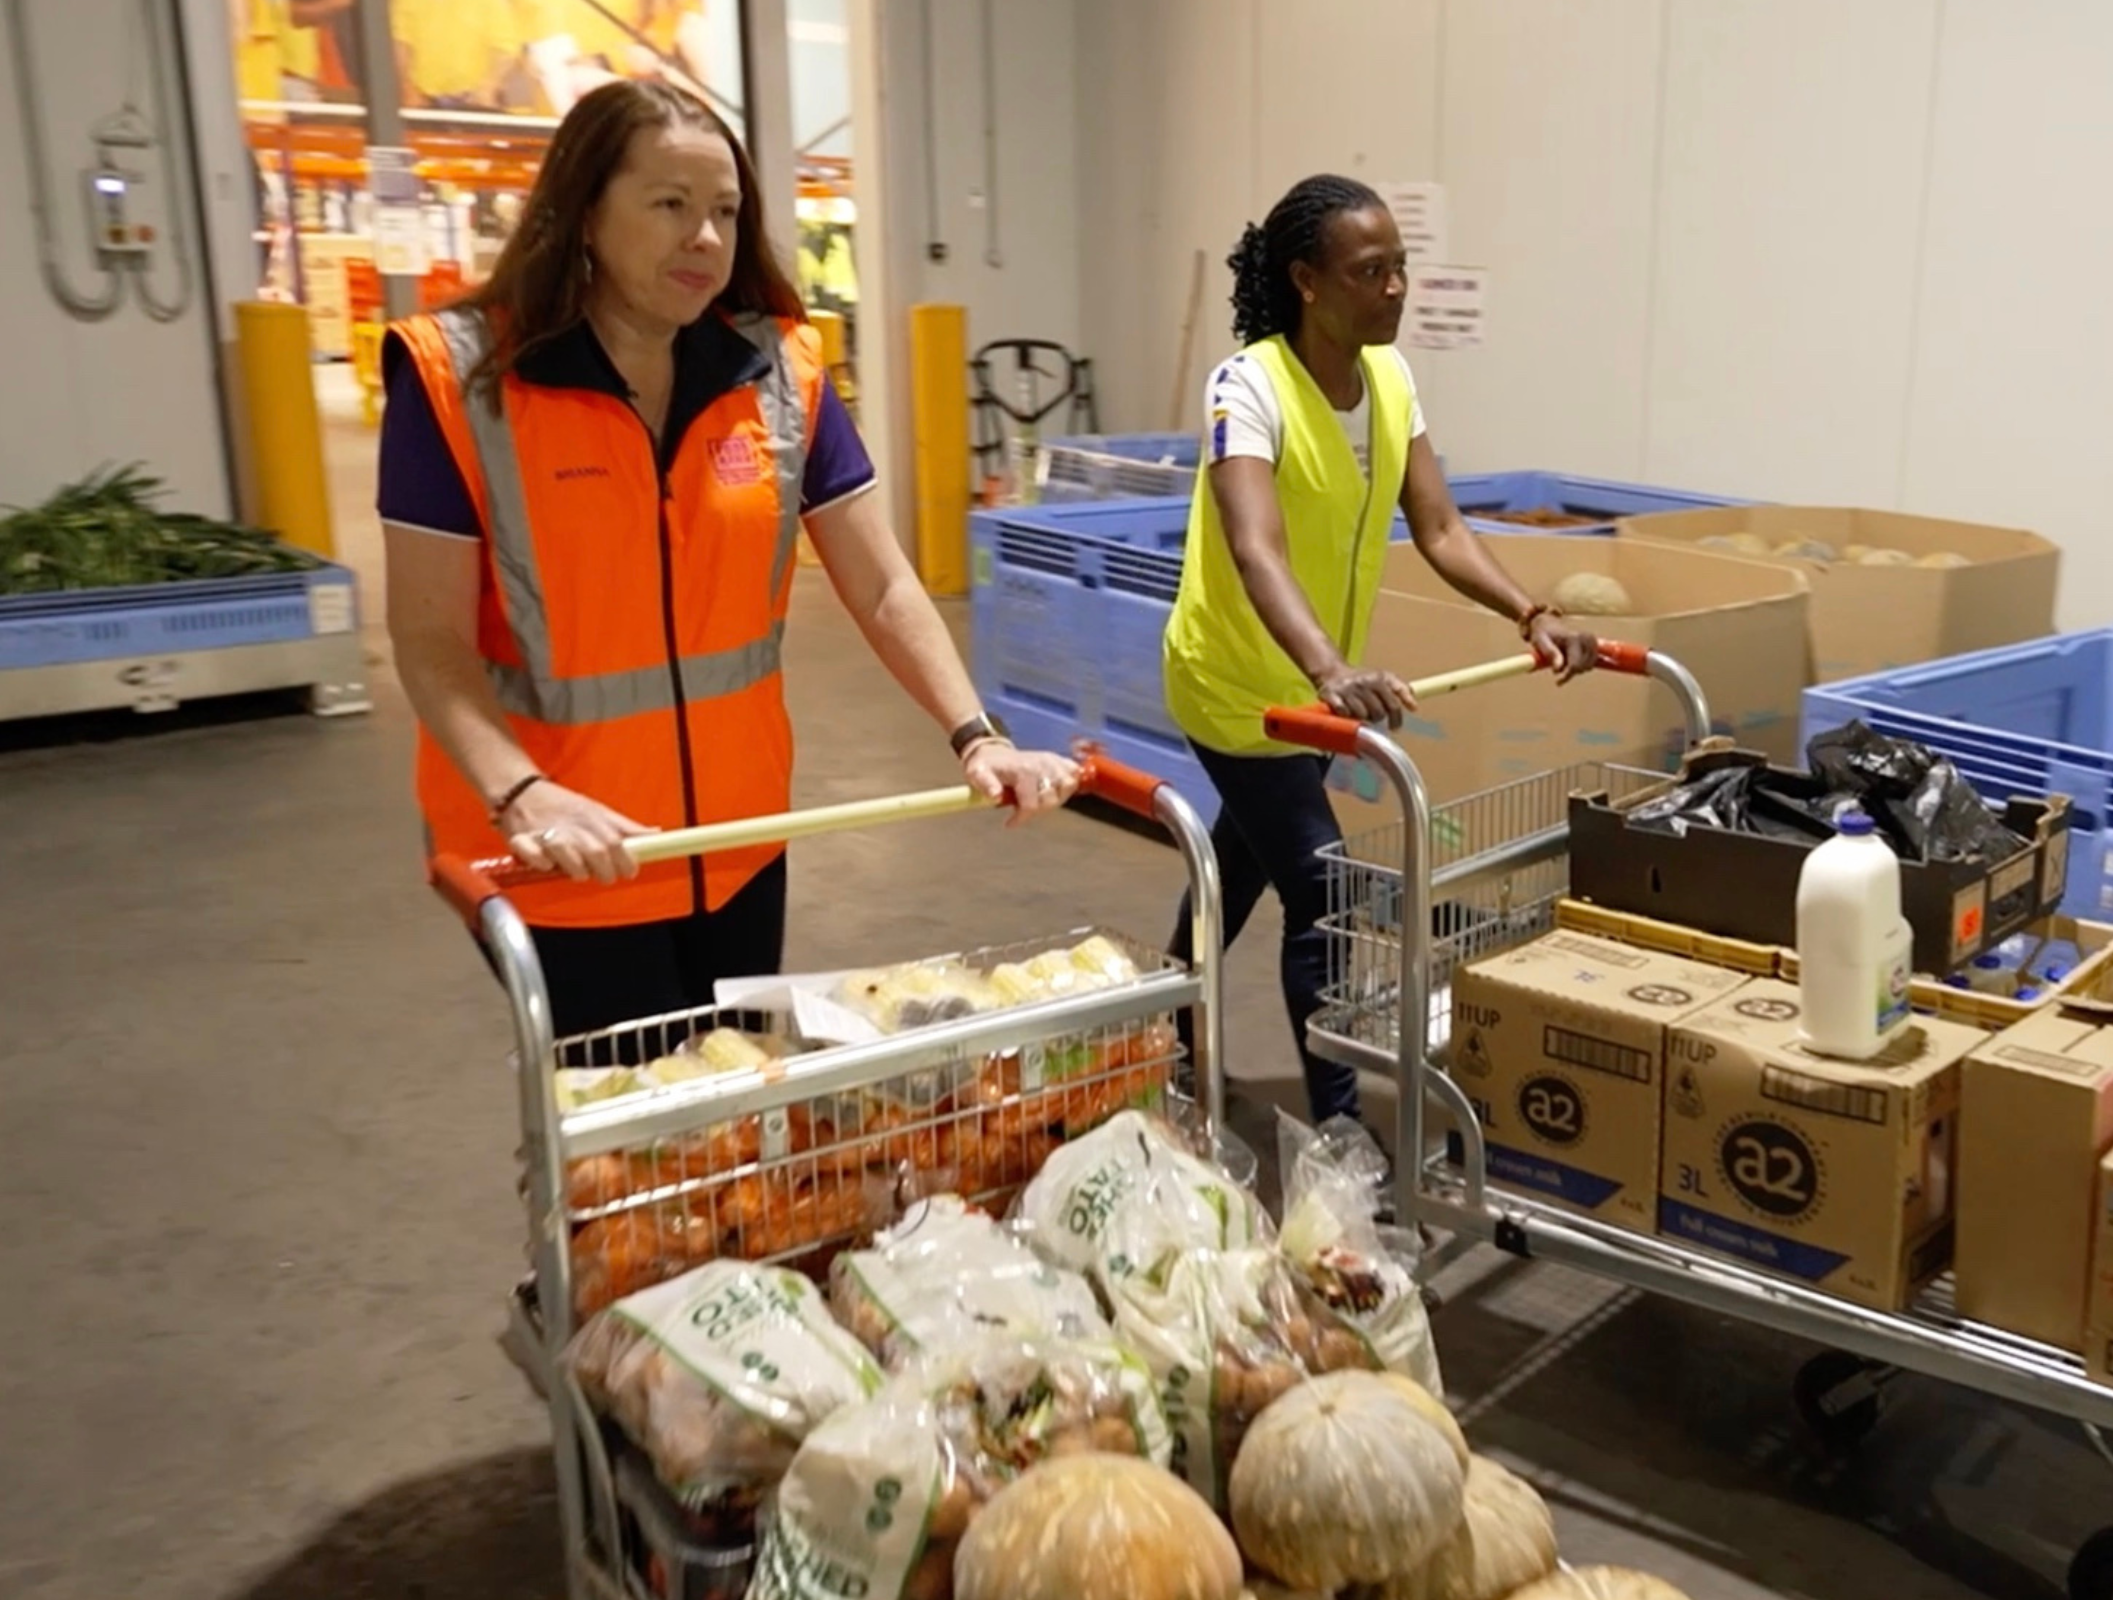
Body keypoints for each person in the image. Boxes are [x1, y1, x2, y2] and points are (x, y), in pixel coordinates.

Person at [380, 79, 1077, 1041]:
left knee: (731, 1122)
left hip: (738, 846)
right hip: (566, 861)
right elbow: (428, 640)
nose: (704, 238)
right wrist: (521, 791)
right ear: (584, 212)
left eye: (724, 211)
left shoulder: (779, 373)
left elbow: (880, 585)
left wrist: (977, 733)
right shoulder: (458, 382)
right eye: (669, 205)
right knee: (632, 1149)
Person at [1163, 174, 1601, 1127]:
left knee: (1240, 868)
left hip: (1320, 693)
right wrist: (1329, 667)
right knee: (1321, 885)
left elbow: (1440, 526)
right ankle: (1339, 1135)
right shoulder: (1249, 386)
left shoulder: (1392, 384)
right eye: (1372, 271)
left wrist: (1533, 613)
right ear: (1308, 282)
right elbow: (1254, 546)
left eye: (1402, 267)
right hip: (1239, 687)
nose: (1396, 287)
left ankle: (1161, 1027)